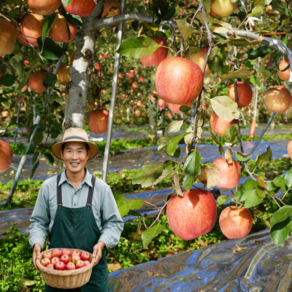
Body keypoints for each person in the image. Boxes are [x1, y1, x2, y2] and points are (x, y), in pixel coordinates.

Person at [29, 127, 124, 291]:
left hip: (93, 273)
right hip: (57, 273)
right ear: (62, 155)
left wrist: (101, 244)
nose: (74, 157)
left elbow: (113, 223)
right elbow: (39, 221)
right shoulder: (48, 188)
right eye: (69, 151)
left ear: (87, 155)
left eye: (80, 151)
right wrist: (37, 243)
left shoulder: (100, 188)